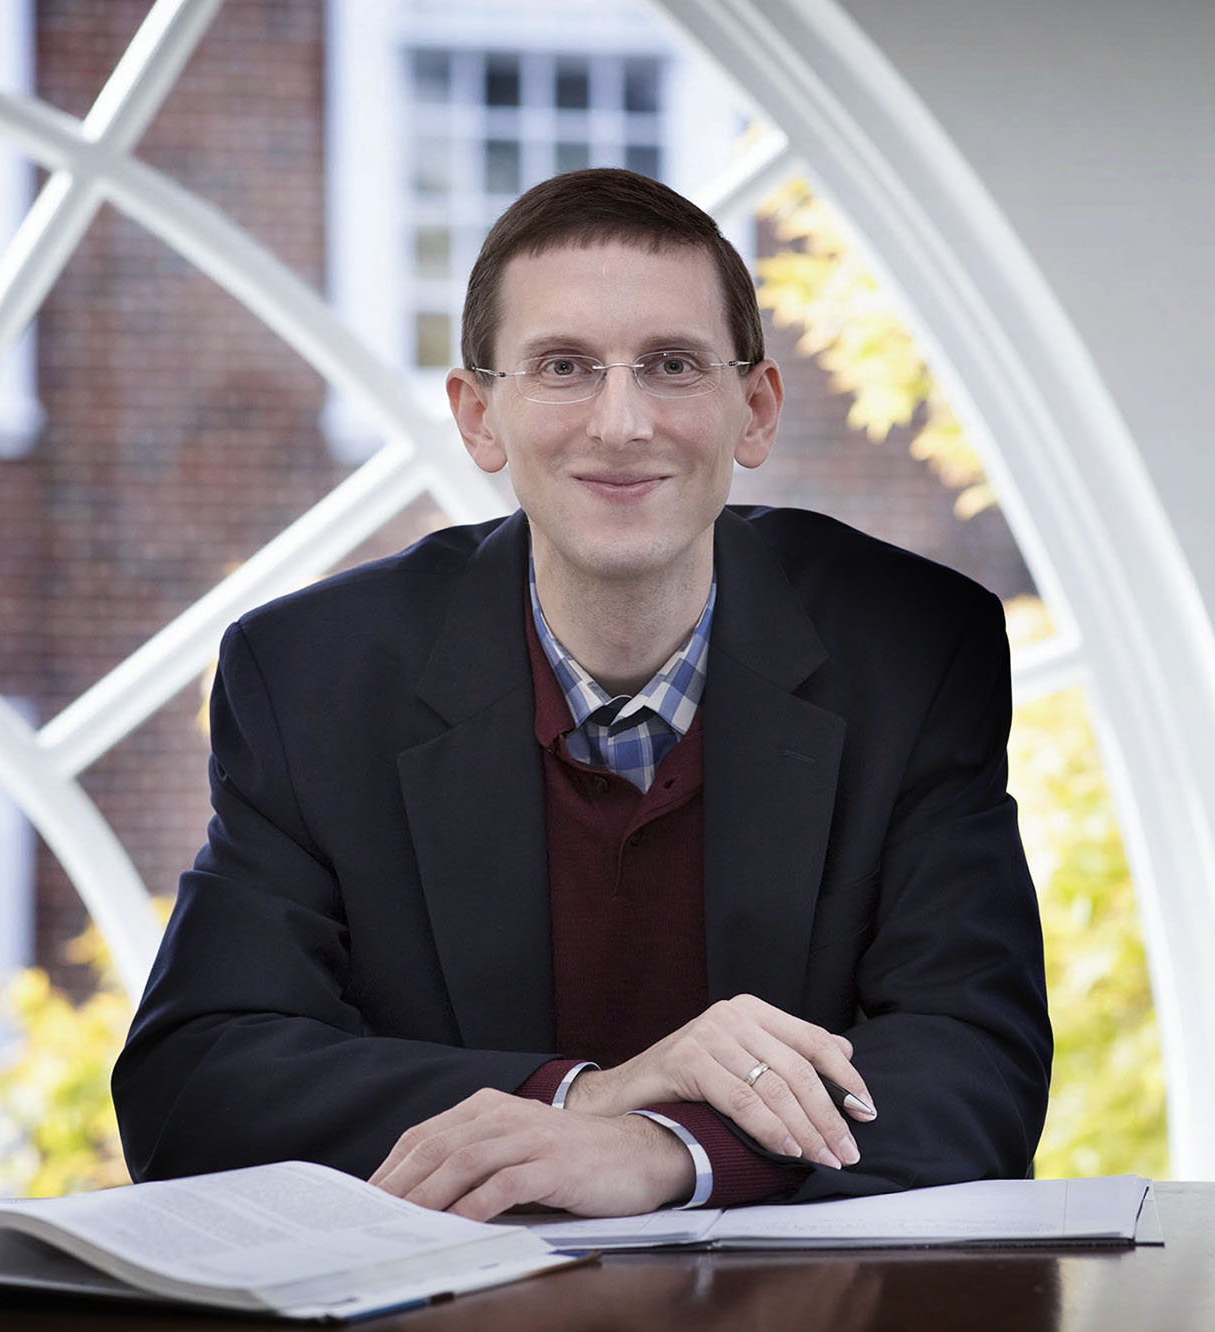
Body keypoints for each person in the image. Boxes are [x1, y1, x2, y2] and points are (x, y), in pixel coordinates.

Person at [113, 168, 1050, 1219]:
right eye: (563, 367)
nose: (620, 422)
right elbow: (194, 1086)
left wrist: (662, 1154)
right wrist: (585, 1098)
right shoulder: (312, 677)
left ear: (755, 409)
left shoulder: (912, 649)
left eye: (671, 366)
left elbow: (974, 1068)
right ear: (478, 417)